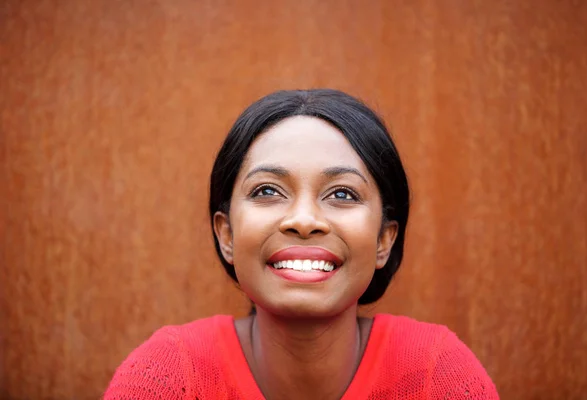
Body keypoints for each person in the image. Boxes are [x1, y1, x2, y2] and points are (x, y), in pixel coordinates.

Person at [104, 89, 499, 399]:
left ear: (384, 239)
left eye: (342, 194)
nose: (304, 221)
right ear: (226, 234)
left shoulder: (436, 374)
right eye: (267, 190)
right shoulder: (170, 375)